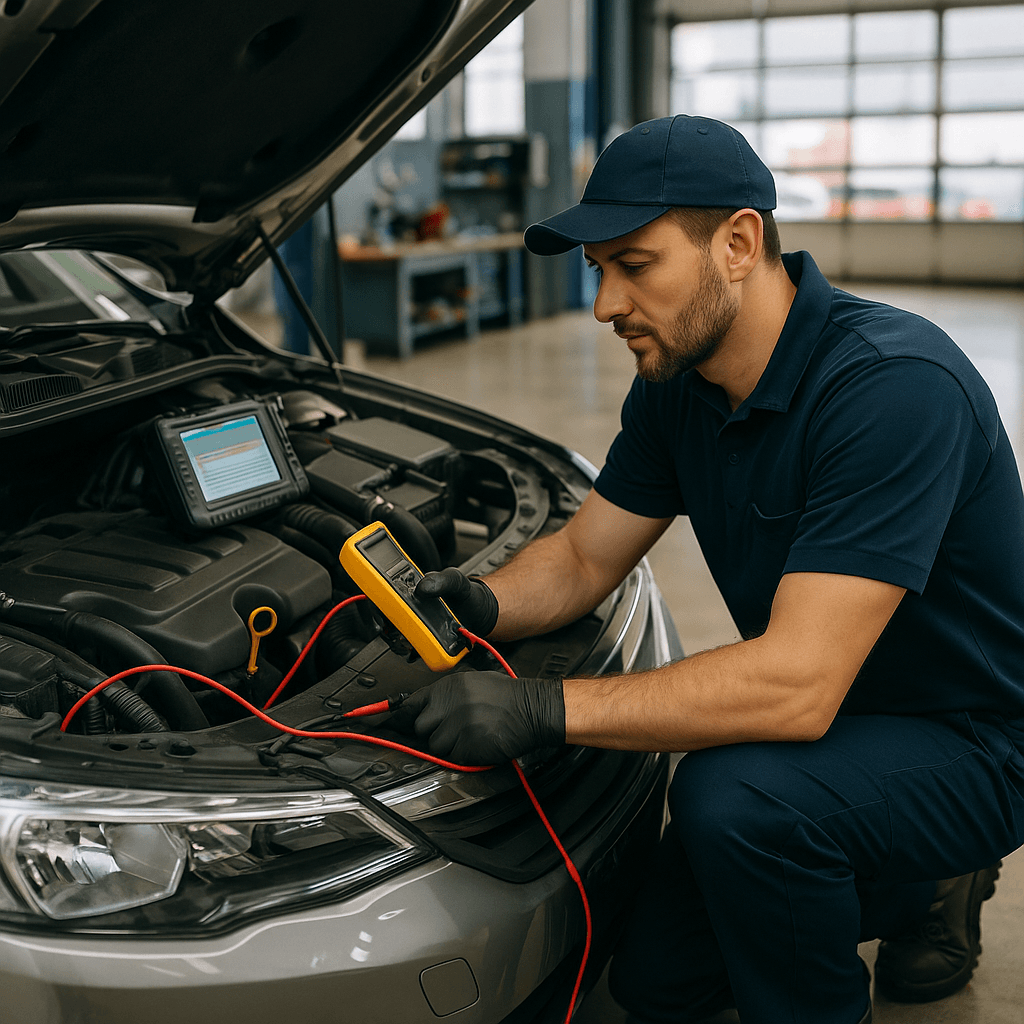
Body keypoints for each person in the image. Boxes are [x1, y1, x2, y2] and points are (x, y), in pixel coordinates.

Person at [400, 115, 1024, 1023]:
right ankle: (902, 879)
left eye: (635, 265)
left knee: (737, 801)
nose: (606, 303)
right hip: (839, 721)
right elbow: (581, 558)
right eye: (597, 270)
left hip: (973, 737)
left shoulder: (893, 389)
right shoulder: (678, 387)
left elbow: (796, 687)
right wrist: (480, 604)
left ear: (738, 242)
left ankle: (937, 866)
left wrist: (543, 710)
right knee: (658, 987)